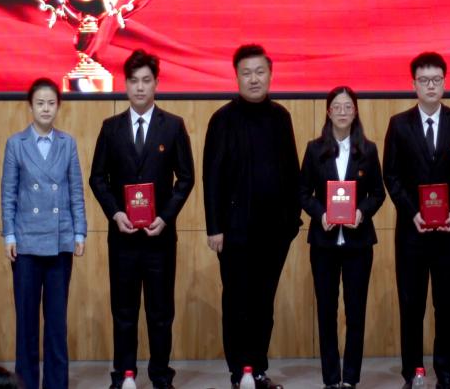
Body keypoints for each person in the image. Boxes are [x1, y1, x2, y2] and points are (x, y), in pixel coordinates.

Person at [89, 49, 195, 389]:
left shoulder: (173, 126)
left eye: (146, 81)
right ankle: (124, 376)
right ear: (125, 84)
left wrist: (165, 216)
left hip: (159, 237)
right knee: (124, 312)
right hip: (122, 238)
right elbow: (98, 178)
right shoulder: (110, 128)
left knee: (160, 313)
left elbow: (186, 178)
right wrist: (115, 212)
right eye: (133, 81)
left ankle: (161, 376)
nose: (139, 87)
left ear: (156, 84)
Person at [203, 44, 302, 389]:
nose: (254, 79)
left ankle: (258, 369)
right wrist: (214, 227)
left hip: (275, 231)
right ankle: (239, 373)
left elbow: (292, 171)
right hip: (234, 232)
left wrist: (293, 222)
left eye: (260, 72)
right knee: (237, 303)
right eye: (246, 73)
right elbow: (212, 176)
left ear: (270, 75)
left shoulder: (281, 117)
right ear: (237, 77)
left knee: (264, 303)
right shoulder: (222, 119)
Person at [383, 51, 450, 389]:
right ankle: (413, 373)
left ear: (445, 83)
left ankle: (446, 373)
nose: (431, 86)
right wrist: (413, 212)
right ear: (414, 85)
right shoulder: (399, 124)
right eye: (424, 80)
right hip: (413, 234)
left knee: (447, 307)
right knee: (411, 306)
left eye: (436, 80)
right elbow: (391, 176)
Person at [1, 79, 87, 389]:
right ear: (30, 106)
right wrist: (9, 235)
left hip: (60, 241)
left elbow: (75, 190)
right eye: (40, 103)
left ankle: (56, 384)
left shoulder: (68, 143)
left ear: (58, 107)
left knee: (56, 324)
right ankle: (25, 384)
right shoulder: (16, 144)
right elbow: (8, 193)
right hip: (26, 243)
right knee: (26, 323)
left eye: (51, 103)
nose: (46, 109)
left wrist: (80, 232)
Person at [299, 86, 386, 389]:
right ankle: (330, 378)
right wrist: (319, 213)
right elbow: (303, 192)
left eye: (348, 107)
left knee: (355, 312)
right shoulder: (314, 149)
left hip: (358, 244)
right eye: (337, 107)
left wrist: (361, 212)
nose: (342, 112)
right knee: (326, 312)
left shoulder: (368, 150)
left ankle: (350, 379)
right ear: (328, 111)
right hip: (323, 244)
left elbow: (378, 193)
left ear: (355, 111)